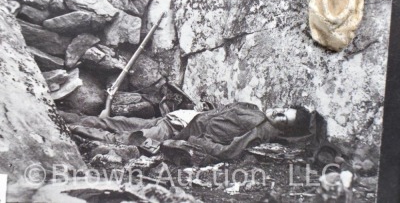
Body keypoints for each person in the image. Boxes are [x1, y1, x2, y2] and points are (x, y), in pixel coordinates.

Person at [68, 102, 317, 165]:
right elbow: (223, 116)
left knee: (124, 137)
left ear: (284, 128)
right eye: (284, 109)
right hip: (180, 117)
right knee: (119, 121)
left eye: (284, 118)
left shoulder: (262, 130)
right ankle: (65, 119)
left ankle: (68, 130)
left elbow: (230, 151)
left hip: (181, 129)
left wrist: (196, 140)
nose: (279, 113)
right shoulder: (256, 110)